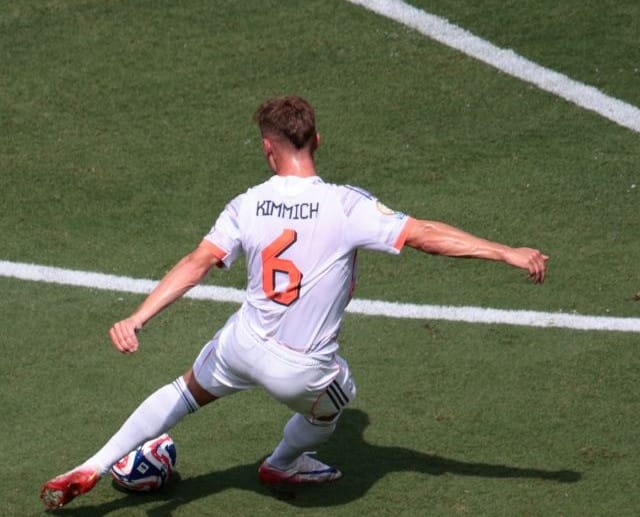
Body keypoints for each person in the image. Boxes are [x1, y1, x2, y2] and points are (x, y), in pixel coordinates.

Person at [40, 96, 550, 509]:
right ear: (317, 142)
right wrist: (505, 251)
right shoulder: (346, 204)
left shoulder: (247, 202)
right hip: (302, 371)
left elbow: (197, 262)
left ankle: (92, 463)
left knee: (185, 391)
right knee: (339, 395)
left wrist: (138, 317)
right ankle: (283, 462)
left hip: (242, 343)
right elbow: (426, 235)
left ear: (268, 148)